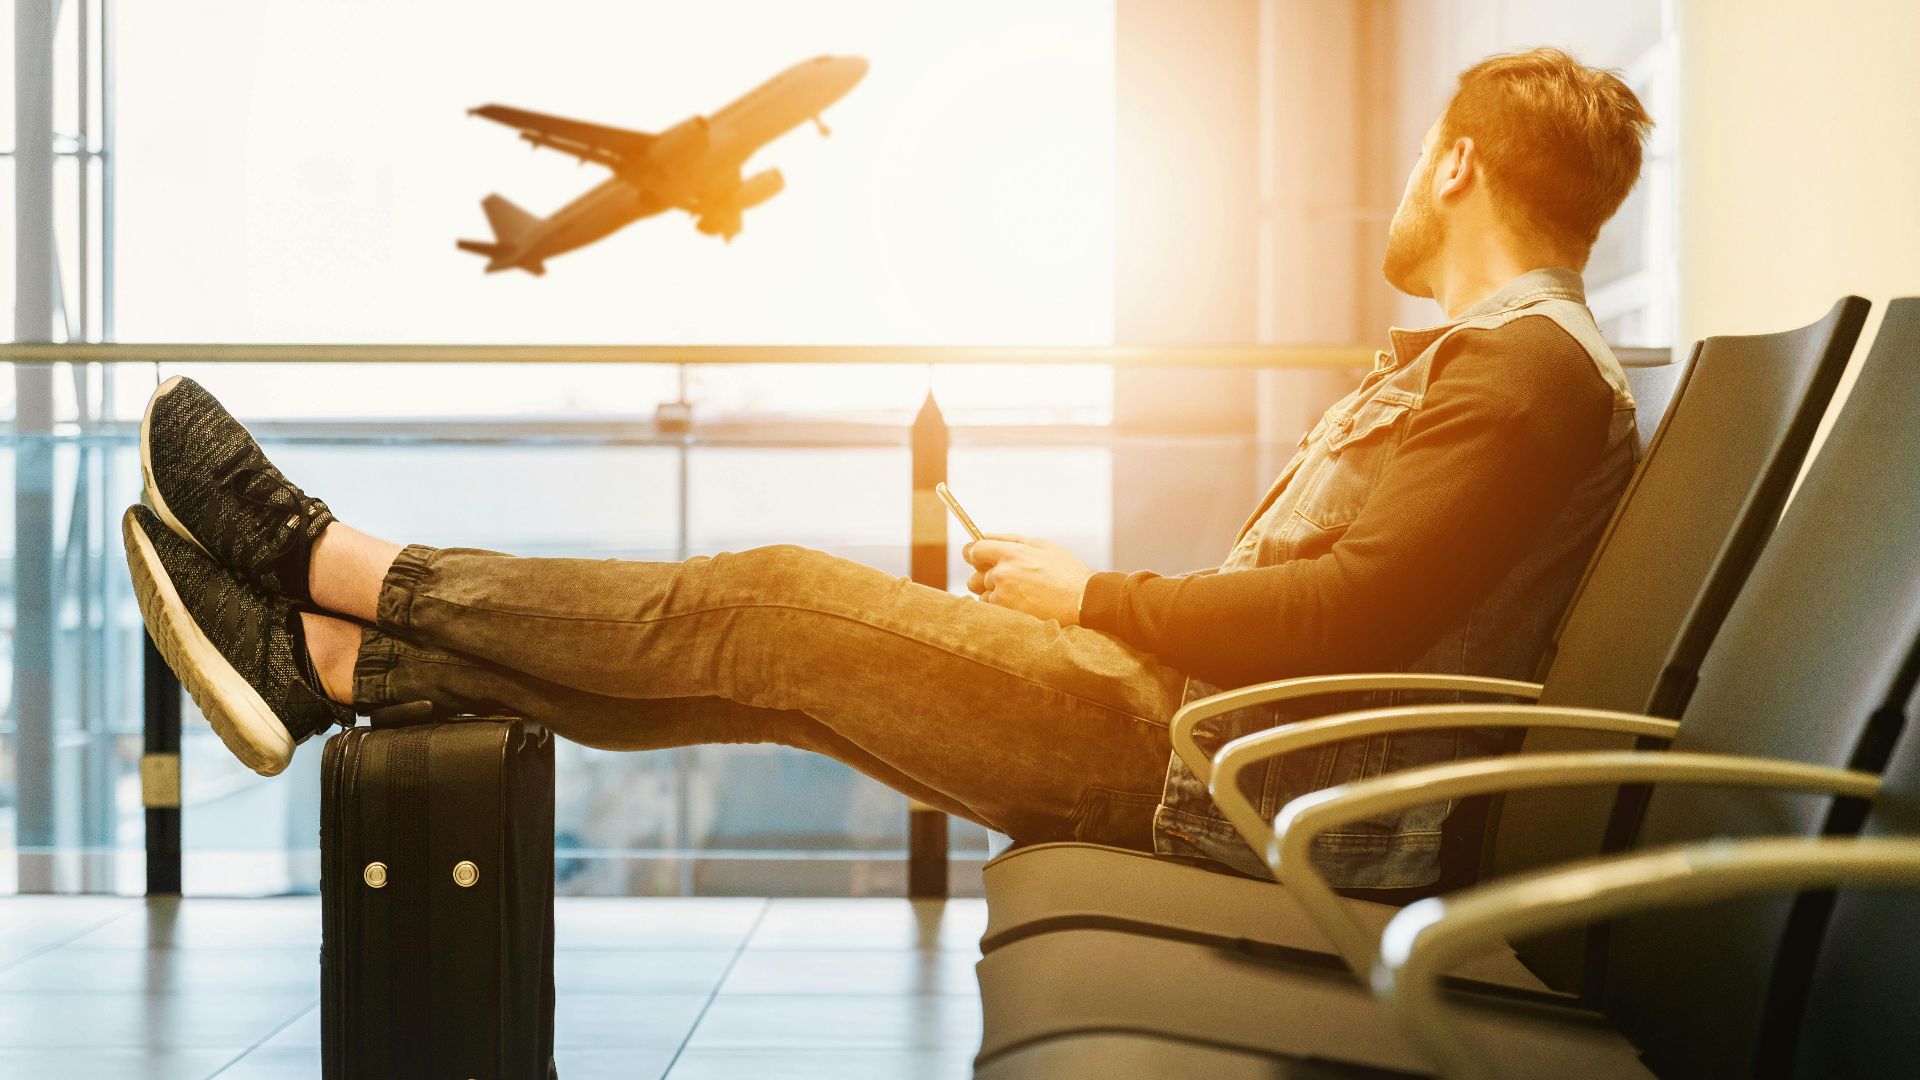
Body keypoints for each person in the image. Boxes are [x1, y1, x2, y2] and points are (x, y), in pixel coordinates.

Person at [125, 46, 1651, 890]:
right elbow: (1350, 610)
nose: (1399, 189)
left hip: (1216, 779)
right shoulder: (1510, 371)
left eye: (1414, 162)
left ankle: (326, 561)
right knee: (770, 673)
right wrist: (1097, 604)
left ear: (1454, 163)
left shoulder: (1522, 374)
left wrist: (1099, 596)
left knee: (770, 603)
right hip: (1213, 754)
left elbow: (1347, 621)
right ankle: (331, 667)